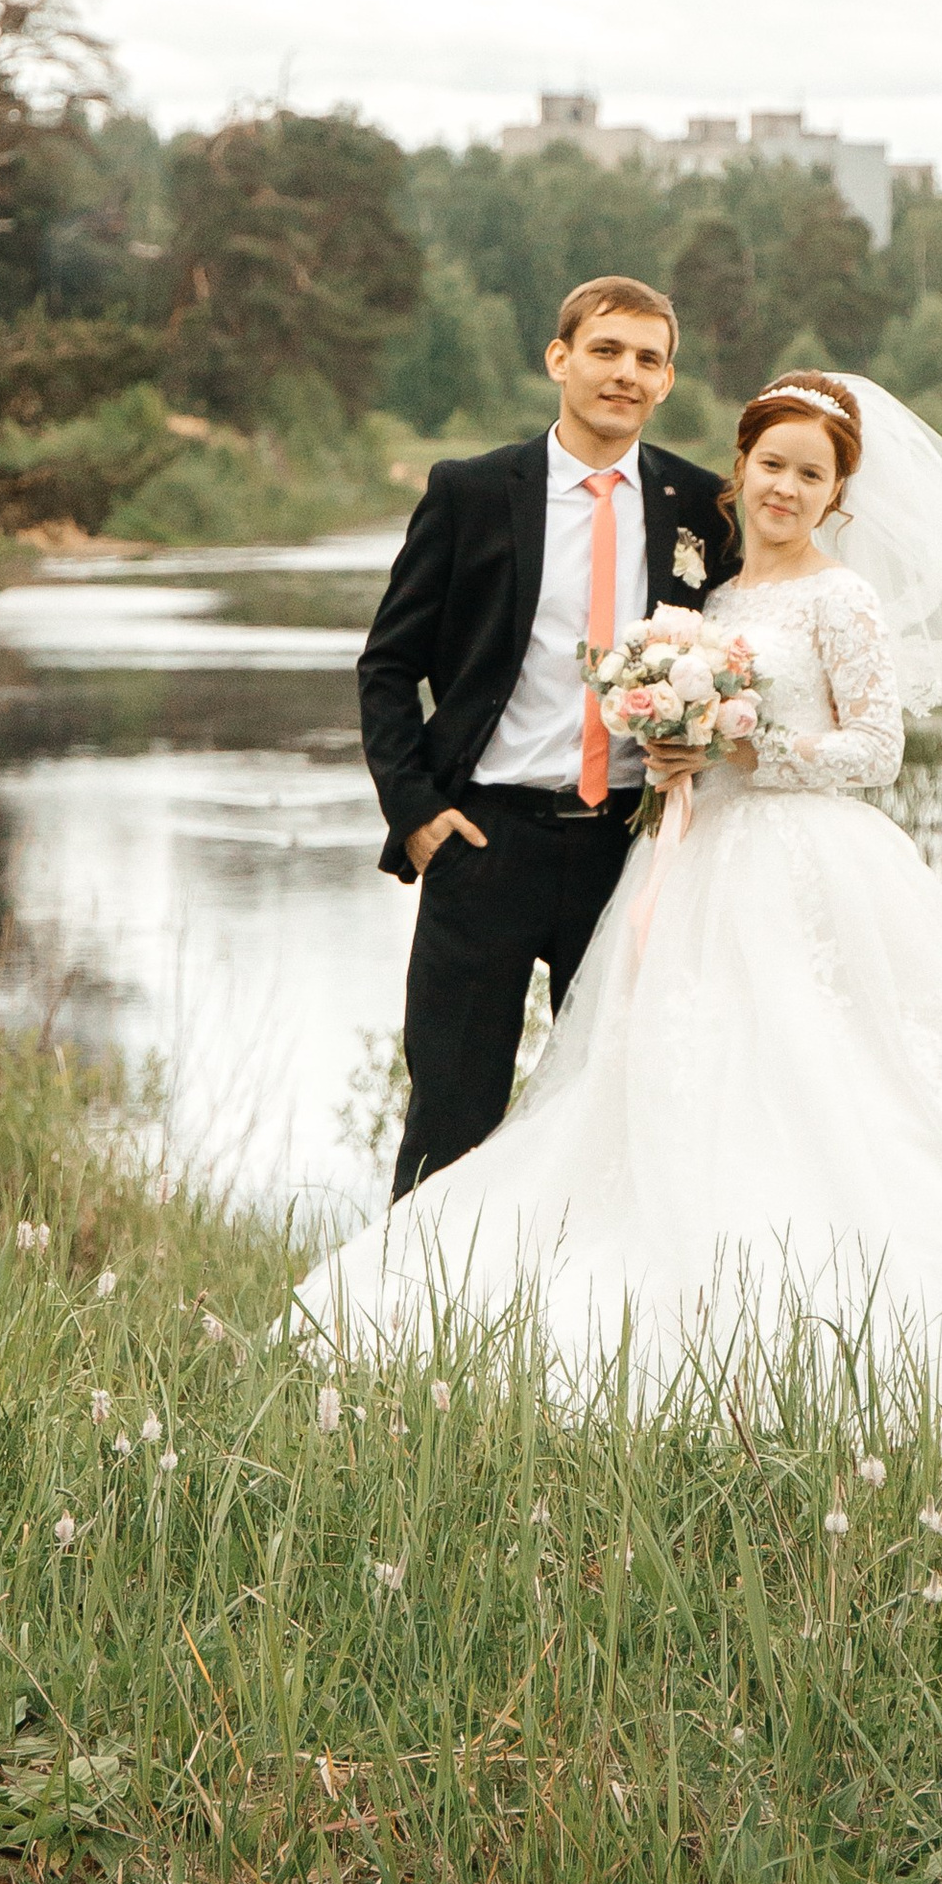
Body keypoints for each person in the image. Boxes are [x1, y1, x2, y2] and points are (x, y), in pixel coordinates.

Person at [311, 369, 942, 1445]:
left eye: (812, 475)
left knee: (826, 1087)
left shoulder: (842, 598)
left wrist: (754, 745)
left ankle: (826, 1327)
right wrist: (675, 749)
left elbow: (876, 751)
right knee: (663, 1087)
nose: (786, 489)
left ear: (839, 494)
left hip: (805, 868)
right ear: (739, 470)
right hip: (690, 864)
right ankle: (573, 1300)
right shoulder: (706, 597)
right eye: (772, 466)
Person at [357, 273, 730, 1199]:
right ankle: (412, 1326)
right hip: (482, 842)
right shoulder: (473, 492)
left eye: (648, 359)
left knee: (615, 1112)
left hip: (631, 854)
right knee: (452, 1113)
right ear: (560, 358)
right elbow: (388, 668)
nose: (625, 374)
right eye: (605, 351)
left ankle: (578, 1333)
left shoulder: (700, 506)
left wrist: (703, 744)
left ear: (669, 380)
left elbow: (735, 662)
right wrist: (418, 814)